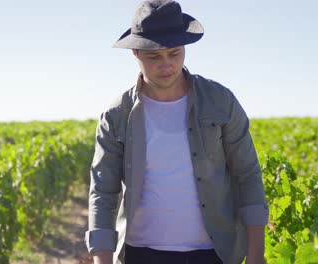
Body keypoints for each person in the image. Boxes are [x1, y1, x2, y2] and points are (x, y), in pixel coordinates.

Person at [85, 1, 269, 263]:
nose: (167, 65)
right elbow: (103, 192)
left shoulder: (220, 101)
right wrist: (102, 259)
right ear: (136, 53)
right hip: (140, 253)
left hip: (212, 253)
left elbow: (248, 175)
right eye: (154, 57)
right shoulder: (116, 115)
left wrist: (256, 256)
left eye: (174, 53)